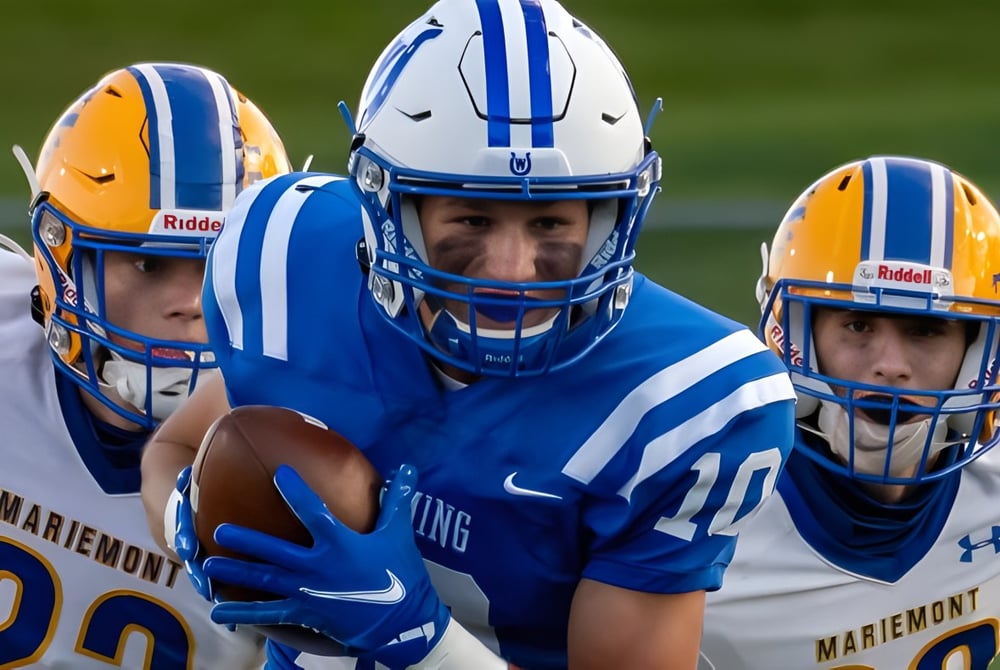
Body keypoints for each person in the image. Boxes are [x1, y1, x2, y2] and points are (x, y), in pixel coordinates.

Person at [141, 1, 797, 668]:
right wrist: (185, 521)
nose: (512, 270)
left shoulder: (678, 403)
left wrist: (417, 638)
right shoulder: (290, 260)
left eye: (550, 224)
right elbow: (178, 447)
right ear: (385, 205)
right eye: (471, 221)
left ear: (609, 216)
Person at [0, 62, 291, 668]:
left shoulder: (299, 477)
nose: (191, 303)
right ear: (63, 265)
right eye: (149, 264)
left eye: (215, 264)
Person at [698, 155, 1000, 669]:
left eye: (925, 330)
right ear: (793, 335)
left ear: (977, 356)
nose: (890, 366)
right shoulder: (701, 519)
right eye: (859, 325)